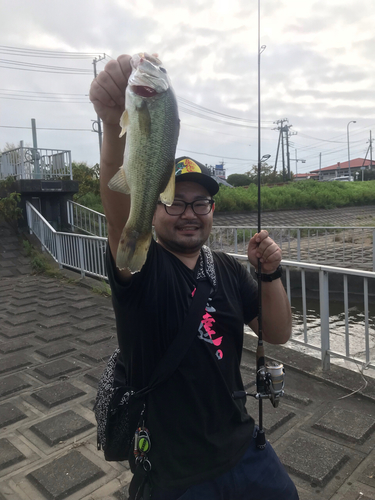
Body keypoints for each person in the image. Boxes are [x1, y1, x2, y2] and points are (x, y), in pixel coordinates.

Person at [89, 54, 299, 500]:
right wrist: (112, 126)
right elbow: (119, 216)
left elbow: (277, 333)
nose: (189, 213)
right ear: (156, 202)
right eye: (175, 201)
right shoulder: (144, 267)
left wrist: (270, 274)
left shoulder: (222, 267)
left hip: (244, 448)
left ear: (212, 211)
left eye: (199, 203)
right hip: (174, 472)